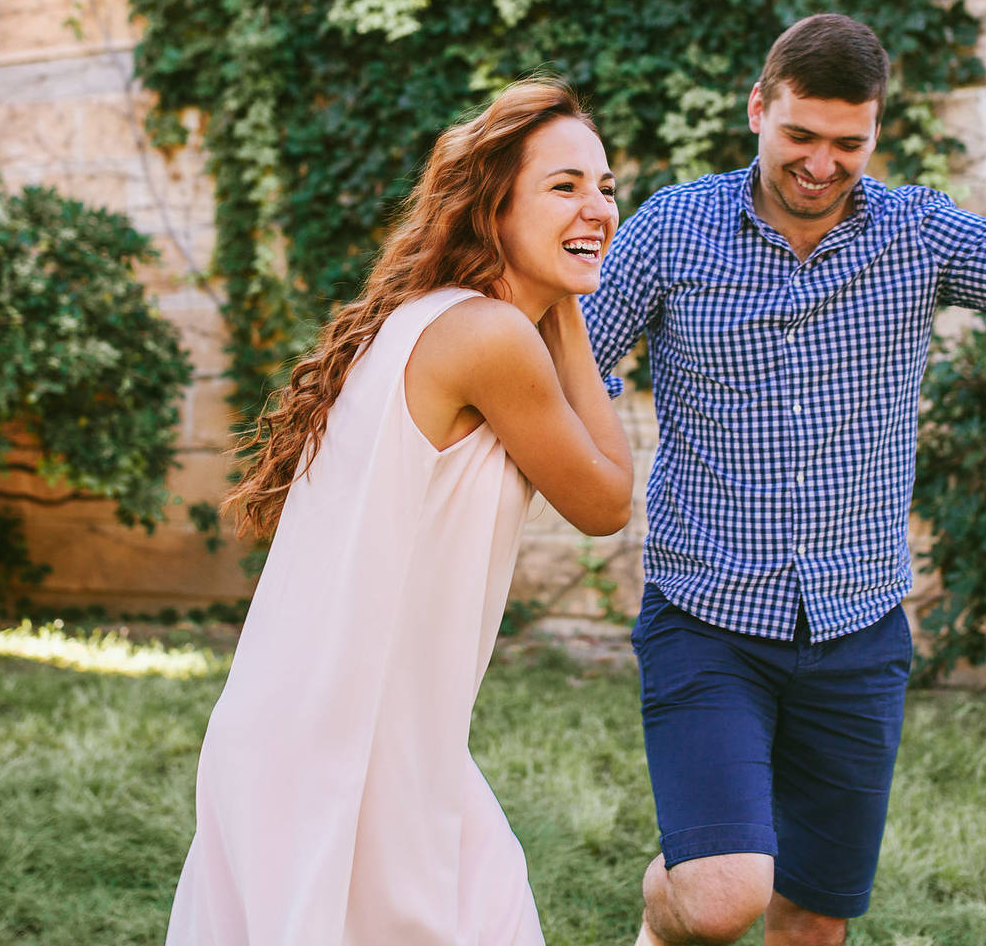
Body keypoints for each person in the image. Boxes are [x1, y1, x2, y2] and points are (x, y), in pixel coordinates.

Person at [582, 13, 986, 946]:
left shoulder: (916, 233)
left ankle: (712, 860)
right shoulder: (671, 230)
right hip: (706, 621)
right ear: (756, 111)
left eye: (847, 143)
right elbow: (576, 366)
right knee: (722, 897)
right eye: (800, 136)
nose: (822, 163)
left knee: (812, 919)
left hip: (857, 634)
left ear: (876, 133)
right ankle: (675, 896)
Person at [165, 79, 634, 945]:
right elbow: (606, 499)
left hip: (347, 729)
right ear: (494, 207)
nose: (598, 207)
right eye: (564, 186)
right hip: (350, 748)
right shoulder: (490, 339)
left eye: (605, 186)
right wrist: (568, 300)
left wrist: (562, 284)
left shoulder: (433, 318)